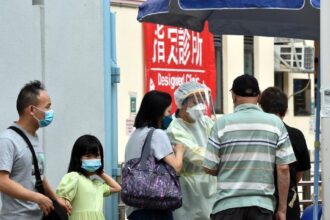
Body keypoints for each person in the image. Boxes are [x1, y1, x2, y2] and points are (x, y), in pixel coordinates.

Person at [203, 74, 296, 220]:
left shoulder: (222, 124)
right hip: (262, 207)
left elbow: (209, 167)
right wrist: (282, 210)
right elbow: (283, 168)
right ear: (258, 96)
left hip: (227, 206)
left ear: (233, 95)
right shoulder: (275, 124)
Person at [0, 80, 70, 219]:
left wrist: (56, 199)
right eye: (47, 107)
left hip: (38, 216)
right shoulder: (8, 140)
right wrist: (37, 197)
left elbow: (39, 177)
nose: (50, 112)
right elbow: (2, 181)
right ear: (32, 110)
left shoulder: (34, 138)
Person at [124, 90, 185, 220]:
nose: (169, 116)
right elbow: (176, 167)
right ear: (159, 112)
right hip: (155, 209)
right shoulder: (157, 134)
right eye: (168, 112)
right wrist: (180, 150)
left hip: (135, 209)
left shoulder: (134, 135)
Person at [166, 81, 217, 220]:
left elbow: (219, 142)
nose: (200, 106)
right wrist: (218, 156)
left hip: (211, 185)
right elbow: (194, 154)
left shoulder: (206, 122)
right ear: (182, 103)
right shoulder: (175, 129)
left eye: (202, 100)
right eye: (195, 102)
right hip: (189, 189)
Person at [259, 86, 311, 220]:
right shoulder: (296, 135)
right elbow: (300, 173)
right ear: (285, 110)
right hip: (289, 203)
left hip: (260, 202)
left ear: (261, 107)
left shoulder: (256, 135)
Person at [56, 134, 121, 220]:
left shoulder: (97, 184)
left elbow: (117, 188)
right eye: (88, 156)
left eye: (97, 156)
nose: (93, 159)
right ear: (78, 158)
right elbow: (61, 198)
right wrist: (66, 200)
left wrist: (101, 173)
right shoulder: (74, 177)